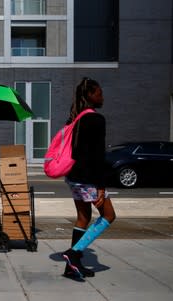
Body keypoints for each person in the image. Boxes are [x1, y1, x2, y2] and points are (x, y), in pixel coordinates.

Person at [62, 77, 116, 279]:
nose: (102, 96)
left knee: (83, 218)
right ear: (90, 95)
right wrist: (101, 186)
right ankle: (73, 254)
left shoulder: (75, 118)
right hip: (89, 179)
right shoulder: (95, 119)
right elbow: (98, 156)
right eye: (99, 93)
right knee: (109, 216)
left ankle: (71, 266)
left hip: (73, 176)